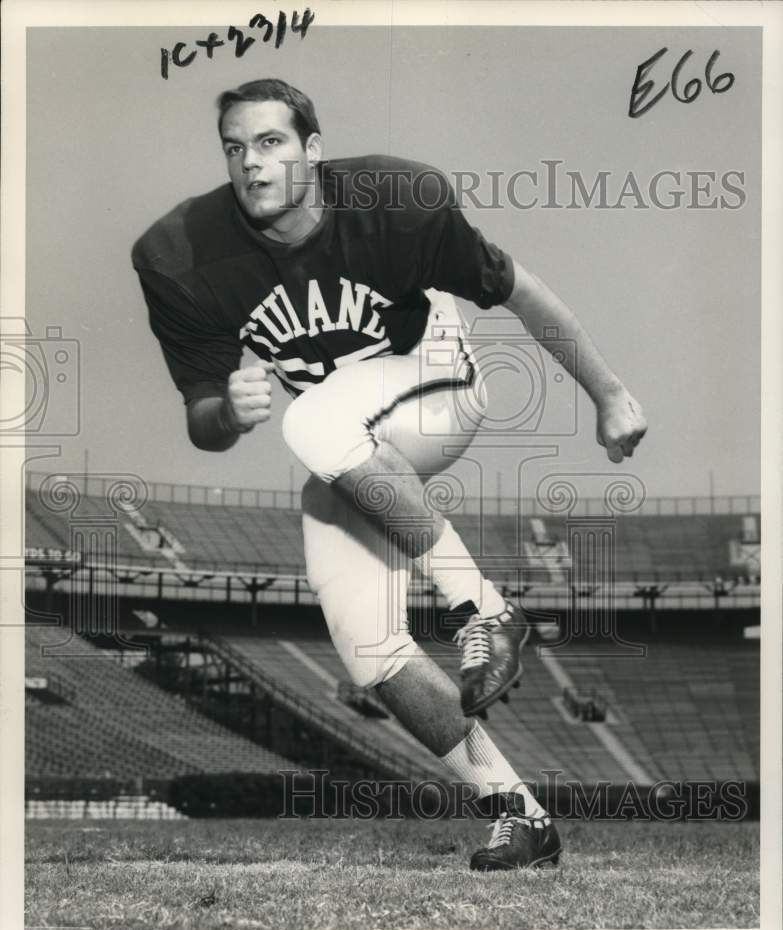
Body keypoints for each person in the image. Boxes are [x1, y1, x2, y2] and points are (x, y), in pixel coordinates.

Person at [132, 78, 647, 871]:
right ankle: (517, 812)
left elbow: (520, 292)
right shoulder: (180, 253)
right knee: (367, 648)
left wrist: (608, 395)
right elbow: (203, 419)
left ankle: (484, 609)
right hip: (348, 445)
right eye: (234, 148)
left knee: (311, 421)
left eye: (270, 142)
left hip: (434, 384)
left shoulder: (393, 199)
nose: (251, 164)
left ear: (312, 146)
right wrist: (228, 415)